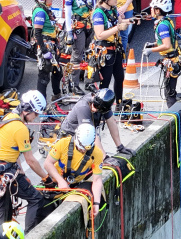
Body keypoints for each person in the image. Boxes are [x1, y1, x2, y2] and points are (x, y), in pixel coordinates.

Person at [0, 91, 52, 231]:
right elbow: (31, 161)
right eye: (35, 114)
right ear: (27, 110)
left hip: (6, 168)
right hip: (6, 172)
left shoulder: (9, 117)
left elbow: (11, 146)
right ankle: (31, 234)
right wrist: (46, 178)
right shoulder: (20, 128)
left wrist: (20, 170)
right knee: (36, 198)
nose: (36, 118)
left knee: (5, 212)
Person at [43, 123, 104, 220]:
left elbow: (97, 181)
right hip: (55, 181)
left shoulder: (97, 154)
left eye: (85, 149)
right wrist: (60, 180)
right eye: (81, 148)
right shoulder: (63, 144)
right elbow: (47, 163)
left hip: (75, 184)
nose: (83, 151)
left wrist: (96, 203)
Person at [58, 88, 133, 156]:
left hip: (86, 136)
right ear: (94, 98)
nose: (94, 110)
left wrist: (120, 146)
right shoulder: (83, 107)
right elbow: (90, 133)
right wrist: (104, 157)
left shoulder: (103, 103)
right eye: (94, 106)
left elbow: (112, 122)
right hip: (70, 135)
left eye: (98, 109)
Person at [90, 0, 129, 102]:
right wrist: (117, 28)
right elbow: (100, 35)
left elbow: (119, 21)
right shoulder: (98, 14)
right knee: (105, 80)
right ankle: (101, 107)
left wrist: (131, 21)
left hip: (116, 49)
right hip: (105, 51)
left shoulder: (113, 9)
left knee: (119, 77)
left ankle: (119, 103)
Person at [144, 0, 181, 107]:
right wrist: (153, 44)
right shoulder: (166, 21)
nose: (151, 10)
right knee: (170, 91)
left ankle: (173, 116)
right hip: (173, 59)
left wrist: (151, 50)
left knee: (169, 94)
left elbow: (166, 45)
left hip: (172, 61)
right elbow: (165, 41)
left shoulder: (162, 26)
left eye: (152, 8)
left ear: (158, 10)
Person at [64, 0, 95, 94]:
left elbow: (94, 8)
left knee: (92, 54)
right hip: (78, 28)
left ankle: (89, 82)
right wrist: (69, 32)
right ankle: (73, 84)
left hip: (90, 27)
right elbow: (68, 13)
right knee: (76, 57)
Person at [32, 0, 62, 102]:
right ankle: (41, 104)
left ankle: (57, 95)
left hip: (52, 46)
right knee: (44, 77)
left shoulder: (46, 10)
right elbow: (37, 33)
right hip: (46, 45)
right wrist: (44, 50)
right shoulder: (40, 12)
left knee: (57, 72)